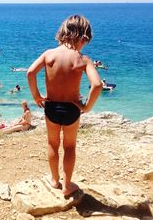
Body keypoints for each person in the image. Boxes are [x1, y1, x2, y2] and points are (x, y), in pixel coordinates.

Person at [27, 15, 102, 198]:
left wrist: (36, 96)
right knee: (70, 147)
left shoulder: (48, 54)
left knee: (53, 144)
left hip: (51, 108)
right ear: (83, 37)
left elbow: (30, 73)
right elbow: (97, 85)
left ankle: (54, 181)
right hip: (71, 109)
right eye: (85, 41)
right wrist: (86, 107)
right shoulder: (83, 59)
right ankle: (67, 185)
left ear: (63, 32)